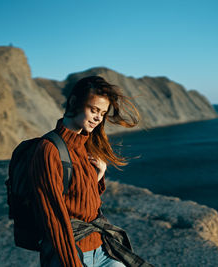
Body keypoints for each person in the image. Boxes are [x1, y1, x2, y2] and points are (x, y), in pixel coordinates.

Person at [29, 76, 140, 267]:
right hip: (71, 254)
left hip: (101, 248)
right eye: (94, 110)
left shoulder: (86, 145)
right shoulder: (49, 150)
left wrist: (98, 176)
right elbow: (54, 218)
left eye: (103, 113)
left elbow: (84, 203)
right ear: (74, 103)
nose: (98, 117)